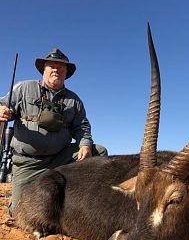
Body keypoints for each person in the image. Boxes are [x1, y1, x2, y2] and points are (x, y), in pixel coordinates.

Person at [0, 48, 108, 216]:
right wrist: (1, 110)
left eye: (61, 67)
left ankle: (84, 203)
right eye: (52, 66)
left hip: (60, 159)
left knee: (99, 151)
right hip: (28, 163)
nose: (56, 70)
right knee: (19, 212)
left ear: (66, 73)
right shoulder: (23, 88)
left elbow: (82, 128)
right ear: (44, 70)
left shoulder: (74, 100)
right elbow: (3, 106)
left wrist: (85, 145)